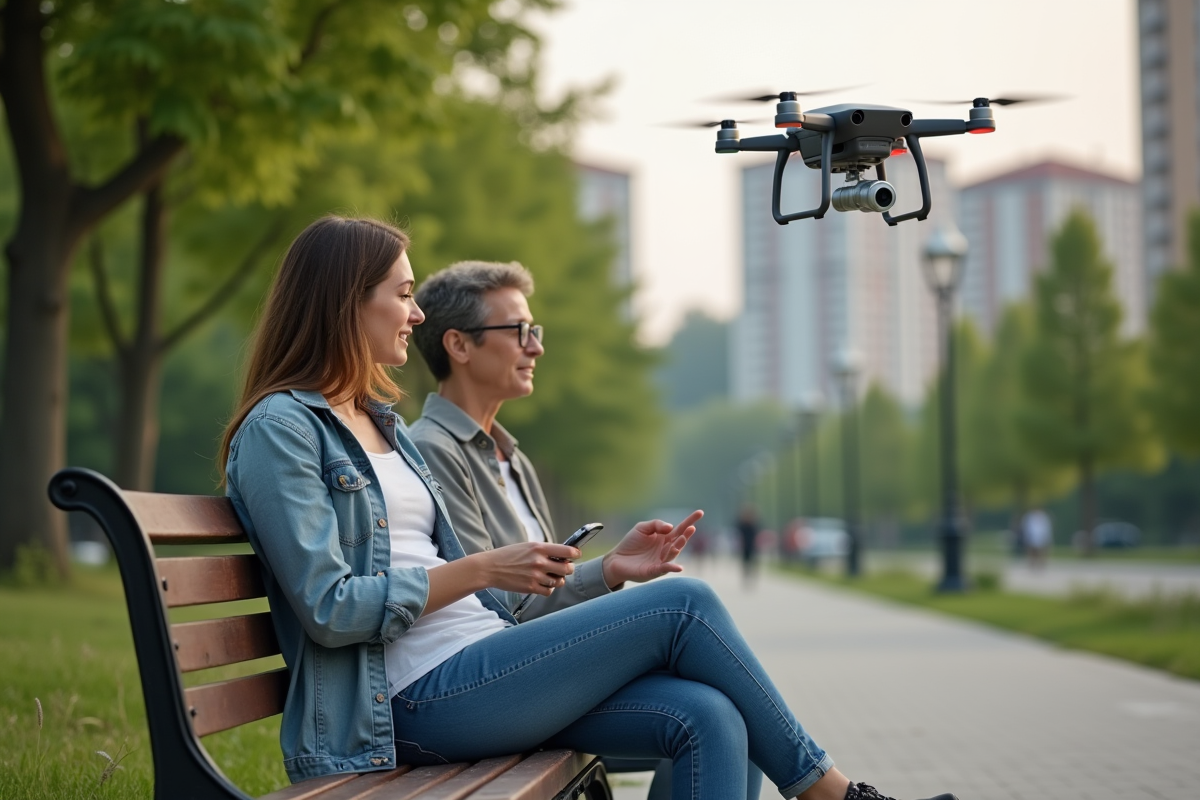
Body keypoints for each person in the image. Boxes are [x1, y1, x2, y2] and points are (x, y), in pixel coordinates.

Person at [219, 215, 959, 800]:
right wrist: (483, 568)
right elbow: (330, 607)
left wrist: (586, 573)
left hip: (475, 662)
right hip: (401, 703)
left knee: (710, 717)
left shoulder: (381, 424)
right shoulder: (281, 429)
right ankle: (832, 794)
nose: (413, 313)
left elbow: (487, 601)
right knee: (686, 604)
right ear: (346, 301)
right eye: (402, 293)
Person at [405, 260, 752, 799]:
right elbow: (495, 606)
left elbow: (535, 593)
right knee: (688, 612)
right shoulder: (433, 449)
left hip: (530, 672)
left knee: (724, 715)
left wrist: (609, 569)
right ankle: (825, 786)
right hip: (491, 683)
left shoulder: (512, 457)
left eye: (535, 330)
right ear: (459, 345)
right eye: (519, 330)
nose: (536, 346)